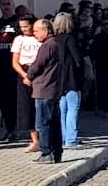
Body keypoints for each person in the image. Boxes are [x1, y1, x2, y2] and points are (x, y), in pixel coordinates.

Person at [25, 19, 62, 164]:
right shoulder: (55, 44)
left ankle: (47, 152)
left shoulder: (47, 46)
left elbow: (37, 66)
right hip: (52, 89)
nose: (34, 34)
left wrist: (28, 76)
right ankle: (56, 152)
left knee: (44, 123)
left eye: (36, 31)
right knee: (54, 122)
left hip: (44, 89)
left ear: (45, 31)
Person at [0, 0, 19, 141]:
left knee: (15, 100)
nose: (6, 6)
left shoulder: (18, 23)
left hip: (14, 68)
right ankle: (9, 128)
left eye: (8, 4)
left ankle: (17, 128)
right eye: (3, 4)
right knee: (3, 100)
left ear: (13, 5)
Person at [11, 15, 42, 153]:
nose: (24, 29)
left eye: (26, 26)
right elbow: (15, 61)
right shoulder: (19, 40)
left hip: (40, 72)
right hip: (24, 72)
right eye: (21, 27)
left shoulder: (39, 38)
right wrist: (25, 76)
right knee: (27, 107)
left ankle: (45, 137)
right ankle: (35, 140)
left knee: (41, 105)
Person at [53, 12, 84, 147]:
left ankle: (63, 137)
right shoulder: (70, 39)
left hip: (58, 77)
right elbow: (78, 59)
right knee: (73, 108)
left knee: (62, 108)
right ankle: (71, 139)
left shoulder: (53, 39)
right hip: (71, 77)